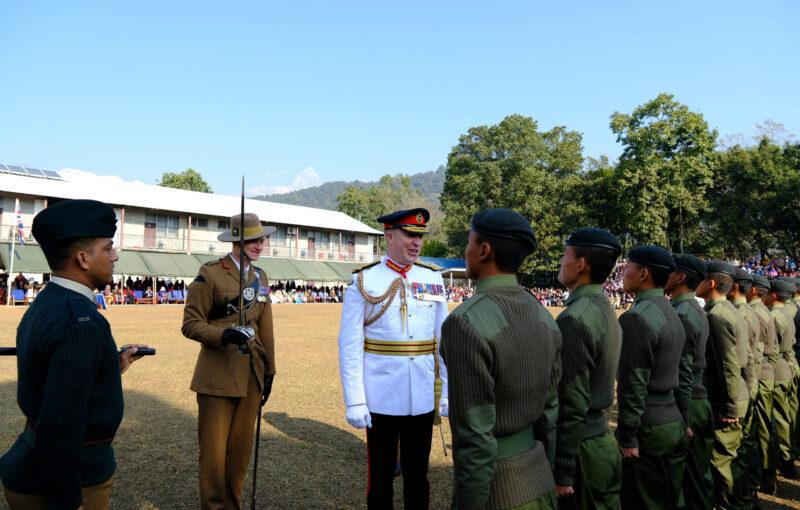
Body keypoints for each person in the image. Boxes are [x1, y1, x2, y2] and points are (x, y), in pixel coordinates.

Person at [0, 199, 149, 510]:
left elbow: (57, 378)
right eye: (108, 248)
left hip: (34, 466)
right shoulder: (79, 321)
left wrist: (110, 365)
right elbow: (62, 420)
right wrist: (66, 499)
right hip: (65, 483)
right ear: (83, 258)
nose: (115, 256)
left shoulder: (50, 300)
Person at [440, 209, 561, 509]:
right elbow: (550, 413)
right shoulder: (543, 315)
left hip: (500, 492)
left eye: (469, 242)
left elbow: (475, 437)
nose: (465, 251)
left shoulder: (465, 323)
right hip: (539, 479)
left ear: (484, 250)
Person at [338, 208, 448, 509]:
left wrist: (447, 391)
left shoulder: (432, 277)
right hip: (381, 397)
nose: (417, 243)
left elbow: (444, 342)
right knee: (382, 480)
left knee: (418, 479)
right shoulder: (365, 279)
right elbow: (349, 345)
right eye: (410, 235)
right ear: (389, 236)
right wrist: (355, 400)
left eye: (420, 237)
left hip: (422, 396)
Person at [182, 212, 277, 510]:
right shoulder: (209, 273)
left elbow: (266, 327)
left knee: (239, 454)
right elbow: (190, 324)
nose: (259, 245)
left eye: (261, 239)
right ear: (237, 240)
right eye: (253, 239)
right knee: (213, 456)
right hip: (217, 377)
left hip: (251, 375)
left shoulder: (260, 277)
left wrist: (270, 371)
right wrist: (223, 335)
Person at [552, 227, 622, 509]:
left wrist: (563, 469)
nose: (560, 261)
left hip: (583, 449)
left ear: (580, 264)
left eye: (565, 255)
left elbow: (572, 401)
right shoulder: (603, 306)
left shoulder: (575, 318)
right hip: (601, 440)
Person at [616, 246, 689, 509]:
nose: (623, 273)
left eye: (627, 268)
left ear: (643, 273)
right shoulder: (673, 312)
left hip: (650, 427)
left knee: (644, 501)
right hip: (673, 420)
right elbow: (683, 371)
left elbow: (633, 384)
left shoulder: (636, 317)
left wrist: (627, 436)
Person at [696, 261, 750, 510]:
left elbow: (729, 365)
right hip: (733, 392)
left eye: (700, 277)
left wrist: (730, 406)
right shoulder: (728, 309)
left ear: (711, 283)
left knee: (723, 463)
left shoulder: (716, 315)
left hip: (724, 396)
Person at [665, 254, 713, 510]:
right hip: (698, 396)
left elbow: (682, 370)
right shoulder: (693, 308)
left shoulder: (681, 313)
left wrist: (682, 417)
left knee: (690, 482)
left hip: (688, 401)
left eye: (669, 271)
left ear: (681, 277)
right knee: (699, 475)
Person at [763, 278, 798, 480]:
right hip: (787, 364)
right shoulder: (786, 311)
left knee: (777, 417)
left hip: (777, 368)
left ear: (773, 295)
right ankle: (787, 459)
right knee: (785, 414)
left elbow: (772, 349)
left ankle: (785, 460)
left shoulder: (775, 315)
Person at [748, 275, 779, 494]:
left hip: (759, 376)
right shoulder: (762, 311)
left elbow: (756, 353)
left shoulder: (756, 313)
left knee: (760, 429)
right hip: (764, 372)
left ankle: (766, 475)